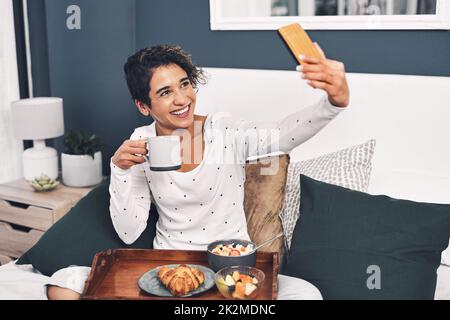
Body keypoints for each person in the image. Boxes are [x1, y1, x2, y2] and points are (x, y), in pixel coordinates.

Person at [47, 44, 349, 300]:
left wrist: (334, 102)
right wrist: (120, 170)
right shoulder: (140, 144)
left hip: (230, 268)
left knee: (305, 293)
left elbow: (281, 135)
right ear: (143, 106)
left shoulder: (224, 130)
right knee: (63, 280)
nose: (182, 99)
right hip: (169, 270)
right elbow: (128, 233)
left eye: (185, 84)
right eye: (165, 92)